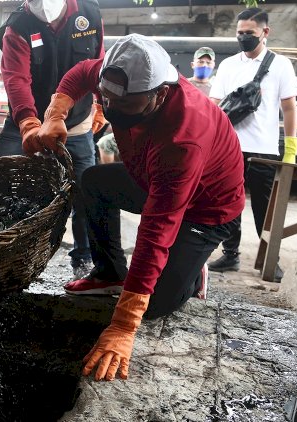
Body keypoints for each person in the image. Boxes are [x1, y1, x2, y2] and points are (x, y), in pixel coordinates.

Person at [31, 34, 245, 380]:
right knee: (95, 182)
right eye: (107, 100)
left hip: (206, 210)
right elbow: (78, 75)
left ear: (159, 93)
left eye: (124, 105)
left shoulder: (183, 137)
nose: (112, 110)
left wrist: (123, 326)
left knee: (155, 305)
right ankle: (110, 272)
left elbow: (155, 230)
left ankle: (191, 263)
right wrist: (55, 115)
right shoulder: (117, 74)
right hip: (151, 178)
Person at [0, 0, 106, 280]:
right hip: (26, 120)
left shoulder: (89, 14)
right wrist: (29, 124)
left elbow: (99, 62)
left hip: (76, 124)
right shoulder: (17, 26)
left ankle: (83, 257)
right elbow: (16, 80)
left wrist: (102, 104)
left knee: (86, 190)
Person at [208, 8, 297, 282]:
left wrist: (291, 147)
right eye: (240, 33)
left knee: (264, 207)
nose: (244, 37)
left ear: (265, 32)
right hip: (229, 147)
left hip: (264, 149)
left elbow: (289, 108)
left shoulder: (280, 65)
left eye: (250, 33)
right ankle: (231, 254)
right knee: (229, 204)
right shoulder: (228, 66)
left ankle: (269, 259)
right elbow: (214, 105)